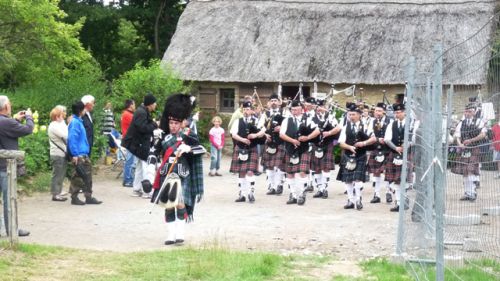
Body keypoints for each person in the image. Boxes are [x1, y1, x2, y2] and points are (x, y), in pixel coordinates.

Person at [152, 93, 205, 245]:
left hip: (183, 174)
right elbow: (153, 154)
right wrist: (149, 175)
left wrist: (188, 148)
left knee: (180, 204)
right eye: (171, 123)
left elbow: (201, 149)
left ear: (182, 122)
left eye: (176, 123)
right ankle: (170, 234)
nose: (173, 126)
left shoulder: (189, 135)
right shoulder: (163, 137)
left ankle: (180, 234)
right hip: (167, 174)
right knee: (169, 205)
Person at [0, 95, 32, 237]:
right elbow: (28, 129)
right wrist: (29, 117)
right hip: (5, 168)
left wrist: (15, 119)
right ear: (6, 107)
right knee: (9, 201)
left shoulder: (6, 122)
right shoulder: (6, 123)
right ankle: (11, 229)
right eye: (10, 104)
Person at [280, 100, 320, 206]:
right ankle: (293, 195)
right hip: (290, 148)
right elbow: (282, 134)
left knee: (302, 171)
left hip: (304, 148)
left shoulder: (308, 119)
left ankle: (302, 194)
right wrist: (292, 140)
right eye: (292, 109)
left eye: (296, 109)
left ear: (301, 109)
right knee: (289, 172)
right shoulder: (286, 120)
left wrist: (307, 137)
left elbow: (317, 130)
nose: (294, 111)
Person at [338, 104, 376, 210]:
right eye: (350, 114)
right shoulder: (346, 127)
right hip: (348, 155)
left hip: (361, 155)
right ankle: (350, 200)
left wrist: (363, 143)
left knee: (357, 179)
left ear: (359, 115)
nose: (351, 116)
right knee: (348, 180)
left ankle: (358, 200)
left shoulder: (366, 125)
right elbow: (341, 143)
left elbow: (373, 139)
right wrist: (349, 147)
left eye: (353, 114)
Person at [122, 93, 158, 198]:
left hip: (138, 143)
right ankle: (147, 191)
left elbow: (144, 125)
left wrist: (153, 123)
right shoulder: (141, 112)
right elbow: (142, 128)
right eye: (154, 103)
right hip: (139, 144)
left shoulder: (142, 111)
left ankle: (136, 189)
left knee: (139, 166)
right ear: (150, 104)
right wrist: (155, 125)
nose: (155, 105)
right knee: (145, 166)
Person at [230, 101, 266, 203]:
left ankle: (251, 193)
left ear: (251, 110)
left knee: (250, 171)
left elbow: (263, 130)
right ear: (243, 110)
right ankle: (242, 194)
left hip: (252, 148)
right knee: (241, 171)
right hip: (240, 147)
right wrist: (242, 140)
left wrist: (255, 135)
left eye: (248, 109)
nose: (246, 111)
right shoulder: (238, 121)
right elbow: (233, 134)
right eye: (244, 109)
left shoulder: (256, 120)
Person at [67, 101, 102, 205]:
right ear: (80, 110)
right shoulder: (75, 123)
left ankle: (88, 196)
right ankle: (74, 197)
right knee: (77, 176)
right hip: (79, 154)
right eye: (83, 109)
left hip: (84, 154)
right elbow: (72, 139)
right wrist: (75, 154)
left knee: (87, 175)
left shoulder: (79, 121)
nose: (85, 111)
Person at [384, 103, 418, 211]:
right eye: (396, 112)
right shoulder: (391, 124)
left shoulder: (411, 123)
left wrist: (407, 145)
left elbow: (414, 139)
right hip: (395, 154)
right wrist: (396, 148)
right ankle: (399, 203)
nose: (397, 114)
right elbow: (387, 139)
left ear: (404, 112)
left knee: (406, 181)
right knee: (396, 180)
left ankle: (405, 200)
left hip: (407, 153)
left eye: (400, 112)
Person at [451, 104, 487, 201]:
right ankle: (467, 193)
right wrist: (459, 144)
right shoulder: (461, 123)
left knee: (471, 170)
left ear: (474, 112)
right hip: (464, 149)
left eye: (470, 111)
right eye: (466, 111)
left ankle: (472, 193)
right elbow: (457, 135)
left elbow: (483, 134)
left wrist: (471, 140)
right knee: (465, 171)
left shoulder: (479, 122)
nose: (467, 113)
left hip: (474, 148)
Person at [310, 99, 341, 199]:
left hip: (327, 144)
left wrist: (331, 134)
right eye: (317, 107)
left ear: (325, 107)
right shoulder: (311, 117)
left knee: (326, 168)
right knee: (317, 168)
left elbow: (337, 129)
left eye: (322, 106)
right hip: (315, 144)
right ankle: (319, 189)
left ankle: (325, 189)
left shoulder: (330, 117)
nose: (319, 108)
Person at [366, 103, 392, 204]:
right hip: (376, 148)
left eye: (379, 111)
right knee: (376, 172)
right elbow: (369, 133)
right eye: (376, 111)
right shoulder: (372, 121)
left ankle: (388, 192)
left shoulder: (390, 121)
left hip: (388, 149)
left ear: (384, 111)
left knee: (388, 172)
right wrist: (376, 139)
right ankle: (376, 194)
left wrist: (386, 140)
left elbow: (392, 134)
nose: (377, 113)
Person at [261, 94, 286, 195]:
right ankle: (271, 186)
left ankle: (279, 184)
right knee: (269, 166)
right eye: (272, 101)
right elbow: (260, 127)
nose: (274, 102)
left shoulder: (285, 113)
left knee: (279, 165)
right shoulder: (265, 114)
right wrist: (264, 134)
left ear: (279, 102)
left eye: (275, 100)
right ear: (269, 103)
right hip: (269, 143)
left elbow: (290, 126)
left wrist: (282, 128)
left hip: (280, 142)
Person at [48, 105, 69, 202]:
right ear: (57, 116)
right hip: (57, 154)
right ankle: (55, 194)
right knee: (57, 174)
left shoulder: (59, 124)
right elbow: (66, 135)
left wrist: (64, 123)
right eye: (62, 114)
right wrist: (66, 124)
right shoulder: (53, 126)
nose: (64, 116)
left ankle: (58, 191)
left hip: (62, 153)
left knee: (61, 173)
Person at [121, 99, 136, 187]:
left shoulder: (125, 114)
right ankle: (128, 180)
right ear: (130, 105)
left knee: (130, 160)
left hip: (127, 139)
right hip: (130, 140)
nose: (135, 106)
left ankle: (128, 179)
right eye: (134, 104)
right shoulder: (128, 115)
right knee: (130, 160)